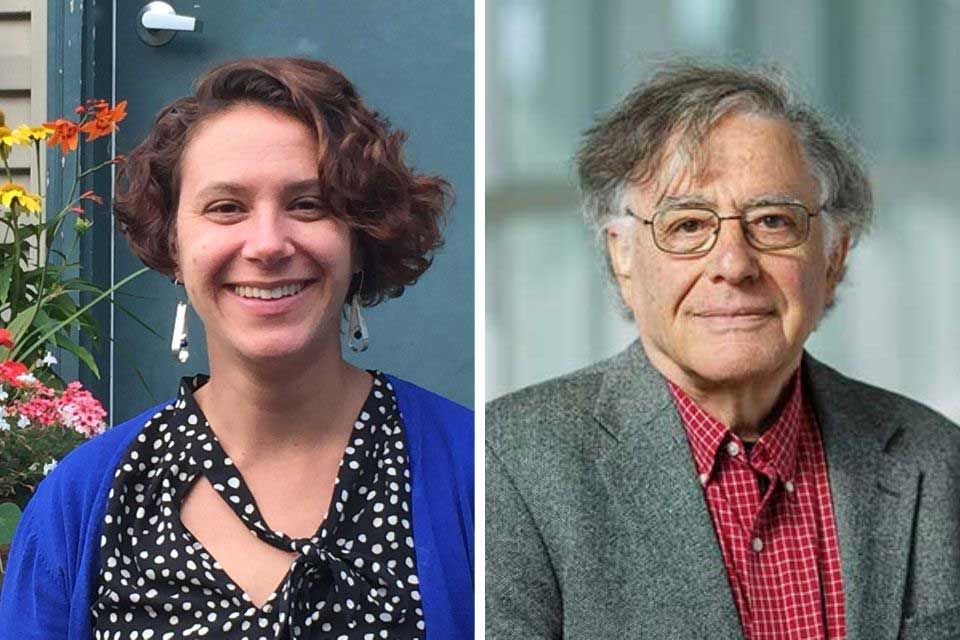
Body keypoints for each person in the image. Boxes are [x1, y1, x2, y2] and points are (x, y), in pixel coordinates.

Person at [0, 58, 473, 640]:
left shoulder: (476, 477)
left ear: (360, 236)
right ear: (173, 243)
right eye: (226, 207)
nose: (268, 244)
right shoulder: (76, 507)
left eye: (308, 204)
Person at [486, 62, 960, 640]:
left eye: (772, 222)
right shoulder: (509, 465)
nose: (733, 265)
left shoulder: (935, 459)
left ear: (833, 256)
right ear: (623, 257)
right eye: (687, 226)